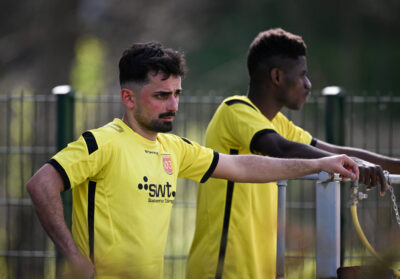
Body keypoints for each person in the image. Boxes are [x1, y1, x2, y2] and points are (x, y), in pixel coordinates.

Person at [26, 42, 359, 279]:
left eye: (177, 94)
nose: (173, 104)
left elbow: (243, 165)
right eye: (161, 95)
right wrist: (74, 257)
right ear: (128, 97)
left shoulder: (175, 148)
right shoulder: (103, 142)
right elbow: (41, 184)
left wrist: (319, 164)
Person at [187, 28, 400, 279]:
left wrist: (386, 164)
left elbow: (333, 151)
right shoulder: (234, 109)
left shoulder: (279, 124)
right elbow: (281, 149)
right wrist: (349, 164)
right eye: (302, 75)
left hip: (259, 270)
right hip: (222, 269)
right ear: (277, 76)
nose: (308, 84)